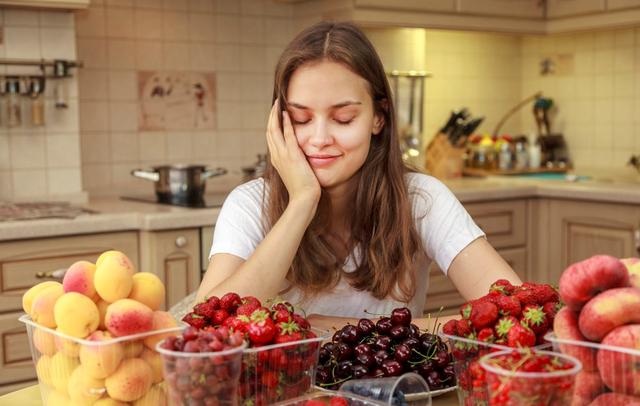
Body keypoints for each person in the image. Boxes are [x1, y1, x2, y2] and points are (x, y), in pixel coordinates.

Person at [197, 21, 521, 331]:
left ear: (378, 118)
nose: (319, 138)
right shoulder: (251, 204)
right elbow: (209, 329)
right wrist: (302, 201)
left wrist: (334, 329)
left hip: (395, 389)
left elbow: (515, 312)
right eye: (300, 118)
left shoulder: (422, 198)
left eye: (343, 118)